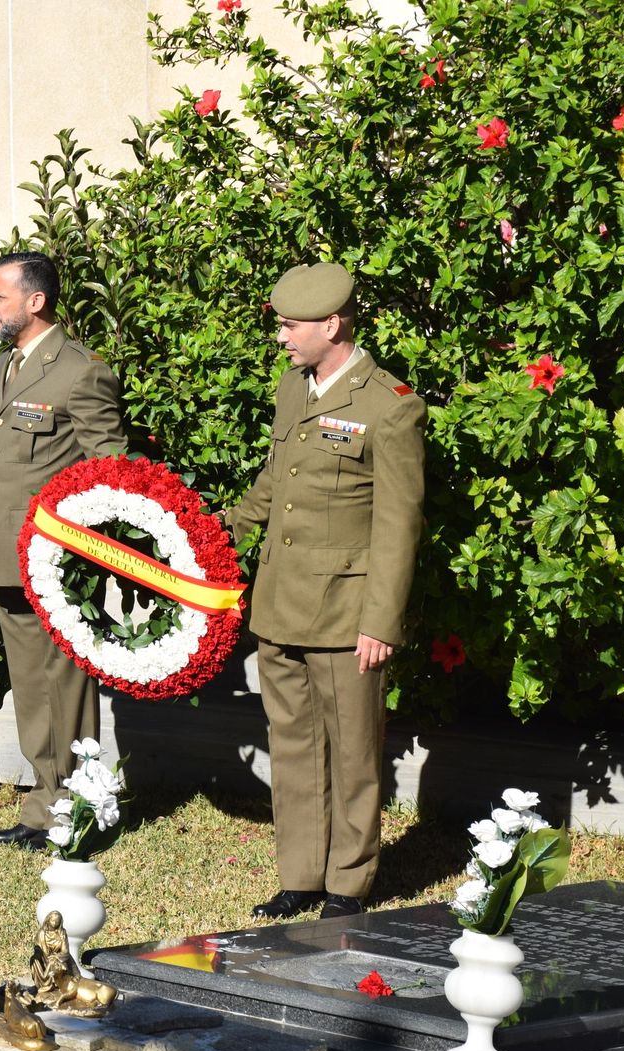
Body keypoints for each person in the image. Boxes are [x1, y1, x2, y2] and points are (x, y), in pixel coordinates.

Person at [225, 262, 425, 921]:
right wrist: (214, 531)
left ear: (331, 325)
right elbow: (273, 482)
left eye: (290, 326)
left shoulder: (389, 406)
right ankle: (302, 874)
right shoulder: (293, 390)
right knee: (294, 746)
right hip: (281, 605)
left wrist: (381, 622)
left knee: (354, 749)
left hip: (346, 614)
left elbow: (399, 523)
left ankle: (348, 883)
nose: (281, 337)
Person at [0, 252, 128, 851]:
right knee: (30, 684)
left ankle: (77, 811)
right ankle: (42, 806)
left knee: (65, 685)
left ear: (35, 301)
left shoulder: (80, 371)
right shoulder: (4, 365)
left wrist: (85, 546)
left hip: (57, 553)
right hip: (7, 551)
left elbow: (108, 469)